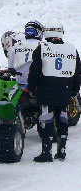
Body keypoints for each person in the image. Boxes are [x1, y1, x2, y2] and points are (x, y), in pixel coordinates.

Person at [28, 20, 81, 162]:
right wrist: (75, 90)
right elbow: (77, 72)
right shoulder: (71, 49)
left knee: (47, 119)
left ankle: (46, 152)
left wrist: (31, 88)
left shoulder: (42, 49)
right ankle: (62, 150)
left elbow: (34, 71)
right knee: (63, 119)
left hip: (46, 90)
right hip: (65, 90)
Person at [8, 21, 44, 86]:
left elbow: (11, 68)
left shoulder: (15, 47)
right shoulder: (44, 46)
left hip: (20, 85)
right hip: (38, 85)